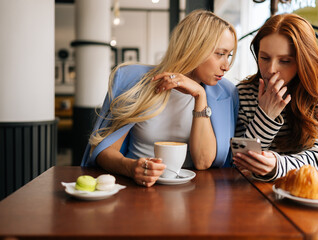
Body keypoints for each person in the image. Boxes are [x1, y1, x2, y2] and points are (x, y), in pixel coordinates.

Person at [81, 10, 239, 187]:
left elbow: (203, 162)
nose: (226, 66)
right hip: (137, 190)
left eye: (229, 55)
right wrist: (131, 167)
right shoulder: (133, 81)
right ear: (195, 48)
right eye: (220, 54)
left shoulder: (226, 93)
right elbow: (104, 151)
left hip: (196, 195)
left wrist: (200, 97)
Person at [233, 13, 318, 181]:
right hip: (256, 189)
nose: (271, 69)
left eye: (285, 61)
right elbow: (241, 161)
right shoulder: (245, 91)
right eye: (264, 57)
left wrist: (277, 166)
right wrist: (265, 115)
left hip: (311, 186)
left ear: (304, 60)